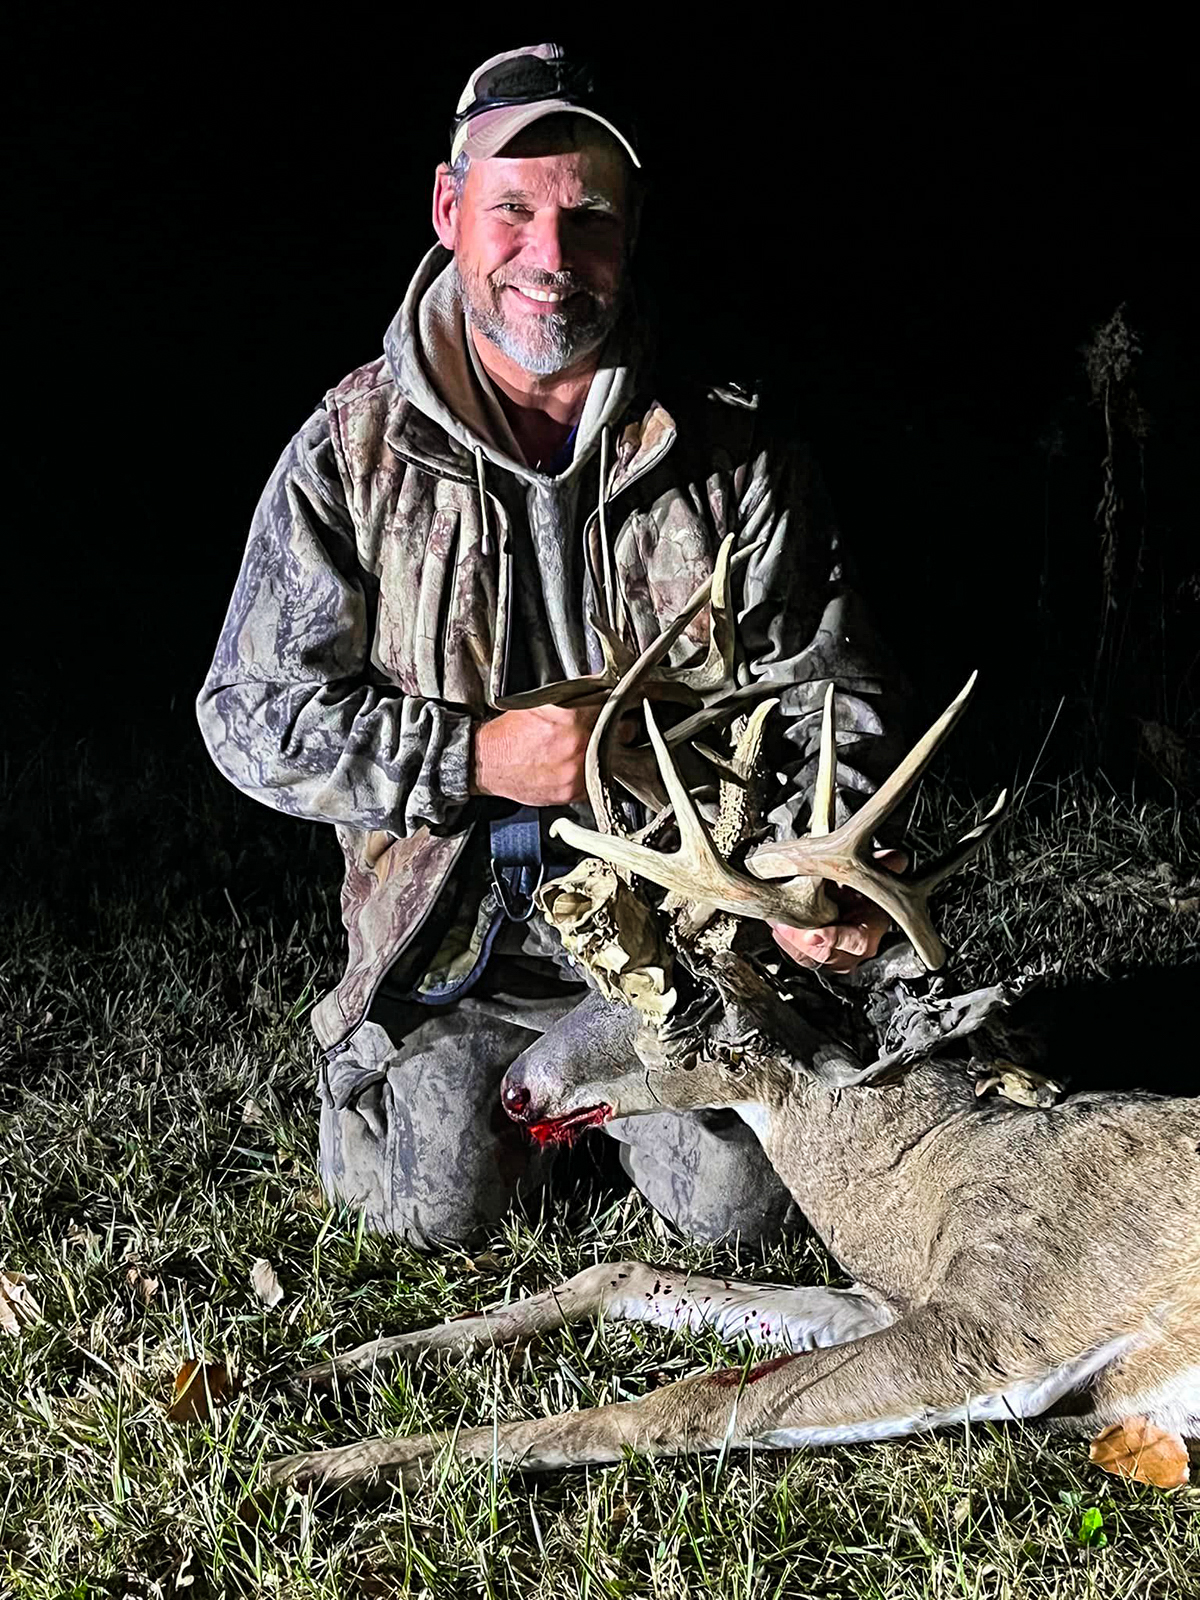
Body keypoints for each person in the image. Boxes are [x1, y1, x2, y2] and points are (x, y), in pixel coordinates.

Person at [197, 43, 909, 1249]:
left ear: (630, 231)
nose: (550, 258)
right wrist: (474, 758)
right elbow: (249, 714)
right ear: (448, 209)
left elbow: (827, 695)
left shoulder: (733, 448)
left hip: (682, 942)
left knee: (744, 1218)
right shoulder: (351, 450)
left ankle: (645, 1109)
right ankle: (401, 1078)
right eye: (512, 211)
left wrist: (821, 871)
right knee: (432, 1209)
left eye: (586, 219)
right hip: (460, 957)